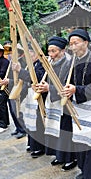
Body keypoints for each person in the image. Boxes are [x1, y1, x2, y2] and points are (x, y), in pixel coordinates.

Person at [62, 29, 91, 179]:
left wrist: (76, 89)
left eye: (76, 43)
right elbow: (67, 82)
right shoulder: (72, 62)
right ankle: (85, 170)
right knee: (81, 140)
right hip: (79, 109)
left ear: (86, 43)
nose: (73, 47)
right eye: (71, 44)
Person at [36, 36, 77, 171]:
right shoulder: (49, 62)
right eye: (49, 51)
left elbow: (67, 85)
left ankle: (70, 158)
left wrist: (50, 89)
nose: (51, 55)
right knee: (55, 129)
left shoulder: (69, 63)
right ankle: (59, 155)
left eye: (54, 51)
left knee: (66, 131)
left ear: (63, 50)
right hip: (53, 100)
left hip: (65, 102)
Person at [12, 47, 46, 158]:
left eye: (32, 52)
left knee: (38, 123)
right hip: (29, 97)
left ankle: (39, 147)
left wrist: (20, 71)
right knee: (29, 121)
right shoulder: (31, 64)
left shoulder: (41, 64)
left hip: (38, 98)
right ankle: (32, 144)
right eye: (29, 52)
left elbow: (36, 78)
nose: (30, 55)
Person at [0, 42, 26, 139]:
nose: (11, 54)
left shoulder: (22, 63)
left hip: (19, 89)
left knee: (18, 110)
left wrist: (9, 81)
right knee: (12, 110)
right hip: (10, 89)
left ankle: (22, 129)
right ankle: (17, 127)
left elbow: (22, 79)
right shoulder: (11, 62)